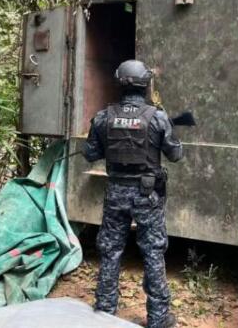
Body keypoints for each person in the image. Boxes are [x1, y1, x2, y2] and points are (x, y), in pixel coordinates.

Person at [83, 59, 183, 328]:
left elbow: (90, 153)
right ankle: (158, 318)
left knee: (110, 249)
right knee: (152, 252)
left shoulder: (104, 117)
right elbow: (175, 155)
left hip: (115, 193)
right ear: (145, 84)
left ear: (119, 82)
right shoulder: (158, 117)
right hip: (147, 195)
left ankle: (105, 311)